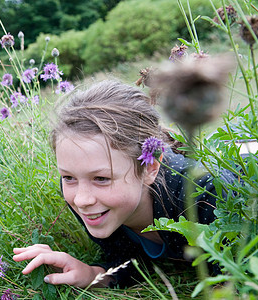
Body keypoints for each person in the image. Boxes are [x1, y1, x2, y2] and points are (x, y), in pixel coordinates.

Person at [12, 80, 237, 288]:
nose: (81, 199)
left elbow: (237, 276)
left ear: (150, 168)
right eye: (68, 177)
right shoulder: (93, 203)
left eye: (101, 179)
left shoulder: (202, 193)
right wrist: (92, 275)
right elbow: (127, 260)